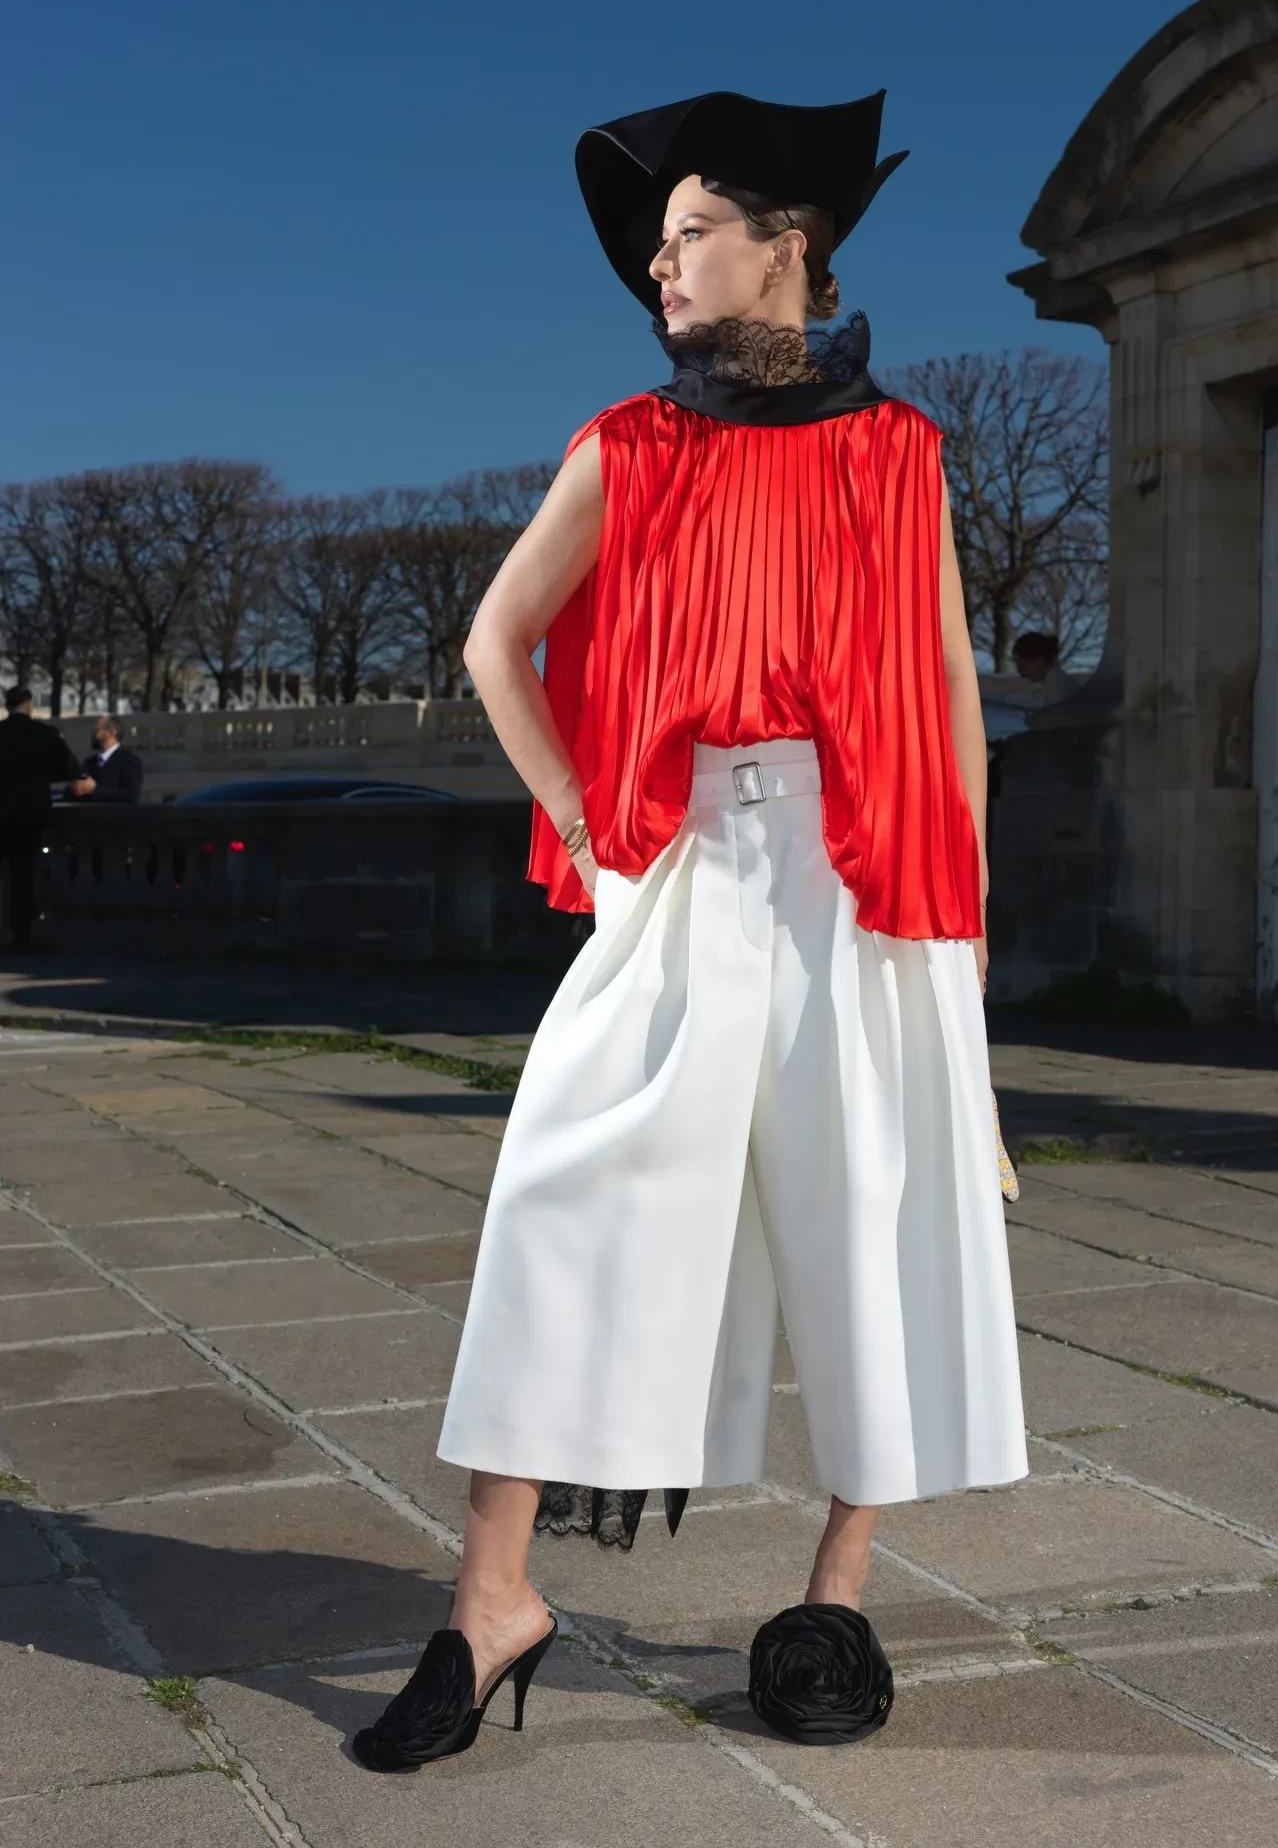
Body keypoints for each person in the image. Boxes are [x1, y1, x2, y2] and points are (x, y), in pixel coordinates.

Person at [352, 90, 1027, 1774]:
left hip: (868, 877)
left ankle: (835, 1600)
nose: (660, 266)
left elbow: (950, 693)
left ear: (788, 247)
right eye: (656, 247)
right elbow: (498, 642)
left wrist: (964, 946)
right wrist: (590, 833)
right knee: (561, 1192)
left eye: (690, 235)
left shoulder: (902, 453)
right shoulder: (628, 446)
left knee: (874, 1214)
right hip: (685, 861)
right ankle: (492, 1601)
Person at [0, 686, 86, 952]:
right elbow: (69, 768)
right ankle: (21, 934)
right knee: (23, 875)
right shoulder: (43, 734)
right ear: (28, 704)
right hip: (29, 813)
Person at [75, 716, 144, 803]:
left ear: (112, 731)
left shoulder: (130, 761)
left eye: (98, 728)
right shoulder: (89, 763)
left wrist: (95, 790)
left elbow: (131, 794)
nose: (93, 732)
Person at [1013, 631, 1081, 707]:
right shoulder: (1054, 682)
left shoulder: (1057, 686)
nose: (1021, 674)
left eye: (1023, 666)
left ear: (1039, 660)